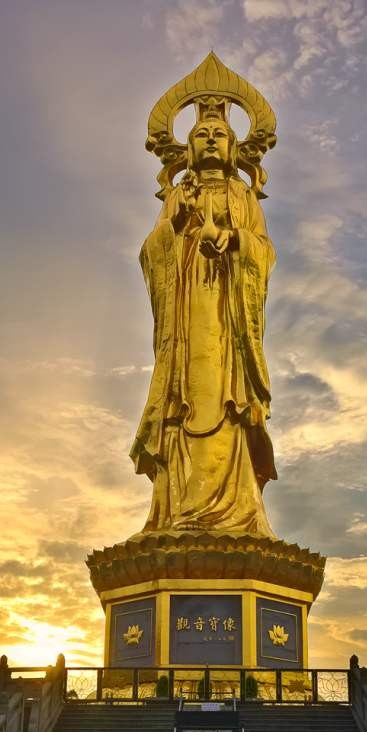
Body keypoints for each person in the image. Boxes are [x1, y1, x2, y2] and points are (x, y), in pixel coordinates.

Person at [131, 97, 277, 537]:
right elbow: (151, 253)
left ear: (233, 147)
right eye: (202, 134)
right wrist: (174, 223)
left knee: (228, 399)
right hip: (186, 314)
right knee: (182, 400)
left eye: (219, 135)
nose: (211, 140)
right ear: (189, 147)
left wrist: (233, 240)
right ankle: (176, 510)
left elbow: (265, 252)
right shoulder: (179, 194)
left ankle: (238, 511)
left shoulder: (242, 195)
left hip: (227, 315)